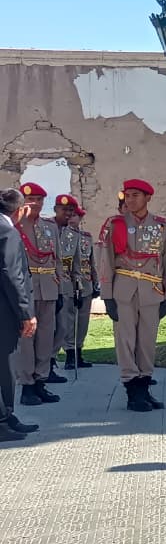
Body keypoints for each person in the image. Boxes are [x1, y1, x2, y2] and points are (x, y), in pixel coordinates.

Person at [97, 179, 166, 412]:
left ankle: (144, 386)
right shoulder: (115, 223)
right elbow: (106, 260)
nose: (129, 200)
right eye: (127, 196)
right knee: (126, 341)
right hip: (124, 290)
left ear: (148, 197)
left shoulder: (162, 225)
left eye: (135, 195)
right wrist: (107, 296)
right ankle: (132, 391)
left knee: (147, 342)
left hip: (152, 290)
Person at [14, 182, 64, 405]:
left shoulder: (50, 227)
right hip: (25, 288)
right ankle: (26, 385)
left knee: (46, 337)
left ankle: (41, 381)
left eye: (38, 199)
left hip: (49, 287)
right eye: (30, 199)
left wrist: (61, 289)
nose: (34, 203)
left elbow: (58, 260)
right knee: (26, 339)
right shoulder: (13, 226)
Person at [0, 188, 38, 440]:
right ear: (20, 210)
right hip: (5, 312)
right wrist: (26, 313)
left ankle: (6, 415)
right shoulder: (8, 232)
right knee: (5, 367)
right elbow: (11, 275)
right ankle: (2, 421)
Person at [50, 193, 83, 378]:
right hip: (46, 283)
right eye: (64, 210)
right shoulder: (44, 227)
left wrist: (78, 286)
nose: (68, 214)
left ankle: (51, 358)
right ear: (55, 209)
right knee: (48, 327)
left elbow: (77, 263)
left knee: (63, 327)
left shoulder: (74, 235)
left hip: (66, 285)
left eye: (71, 210)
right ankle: (46, 364)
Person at [65, 205, 98, 368]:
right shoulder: (62, 235)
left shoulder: (86, 237)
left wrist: (95, 282)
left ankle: (79, 353)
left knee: (83, 320)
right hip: (68, 282)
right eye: (69, 215)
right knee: (69, 319)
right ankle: (70, 354)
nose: (72, 218)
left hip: (85, 283)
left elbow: (92, 262)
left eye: (75, 216)